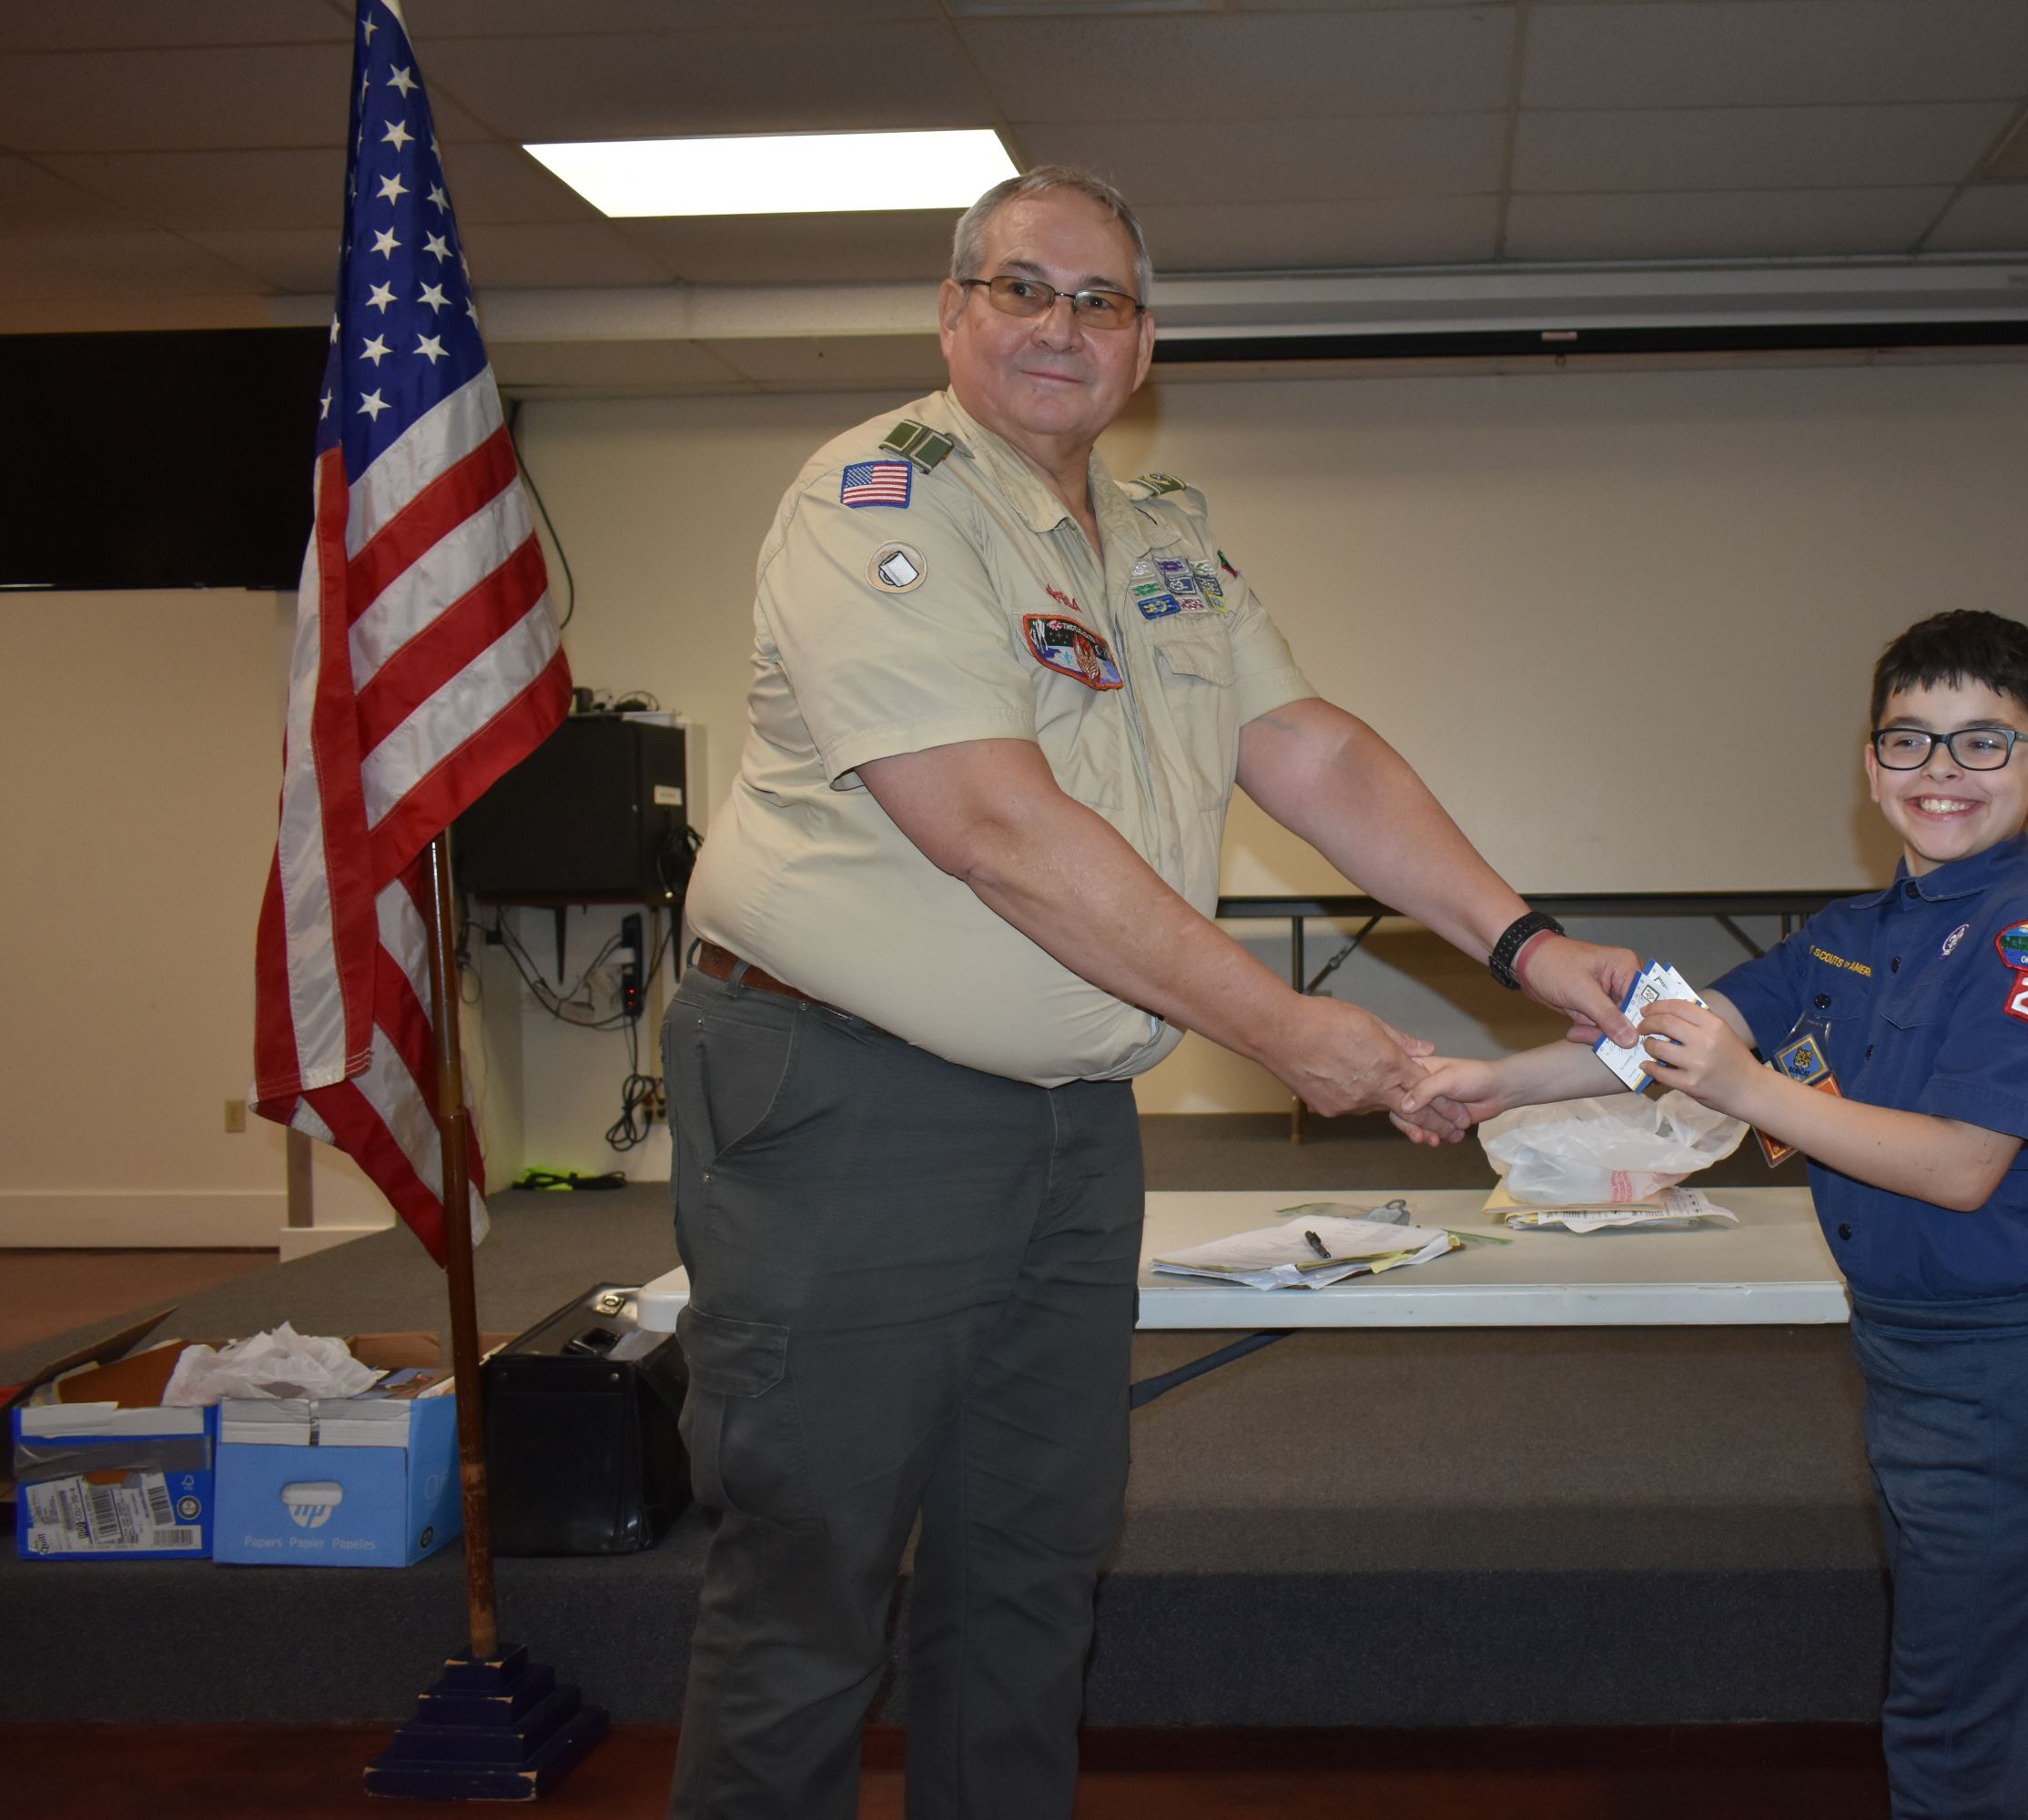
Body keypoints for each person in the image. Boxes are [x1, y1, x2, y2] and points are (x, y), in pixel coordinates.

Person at [663, 165, 1638, 1820]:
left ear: (1144, 341)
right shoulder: (875, 503)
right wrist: (1283, 1027)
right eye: (1022, 289)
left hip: (1070, 1122)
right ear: (953, 312)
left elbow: (1309, 750)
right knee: (811, 1574)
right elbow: (993, 826)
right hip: (847, 1102)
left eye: (1099, 300)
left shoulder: (1165, 534)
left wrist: (1529, 945)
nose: (1061, 326)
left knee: (1032, 1568)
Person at [1409, 611, 2028, 1819]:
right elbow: (1676, 1034)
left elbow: (1963, 1167)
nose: (1941, 771)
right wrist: (1492, 1083)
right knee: (1985, 1712)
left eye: (1983, 744)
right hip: (1910, 1353)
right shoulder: (1852, 935)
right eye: (1909, 740)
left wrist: (1750, 1090)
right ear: (1871, 765)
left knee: (1956, 1733)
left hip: (2005, 1372)